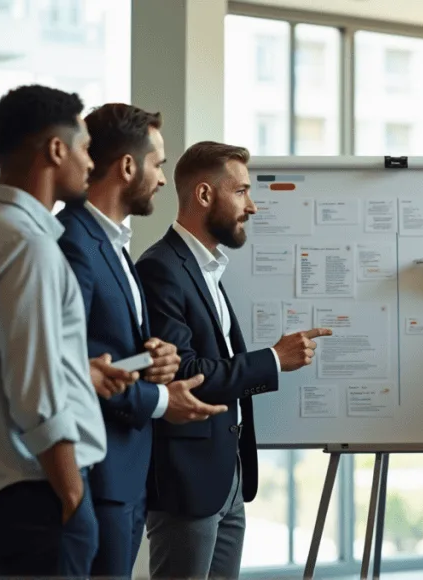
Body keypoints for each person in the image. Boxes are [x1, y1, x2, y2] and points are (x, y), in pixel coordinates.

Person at [0, 84, 138, 578]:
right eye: (86, 148)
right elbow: (37, 395)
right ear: (55, 150)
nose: (92, 164)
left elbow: (0, 358)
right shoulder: (28, 244)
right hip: (34, 494)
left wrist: (79, 371)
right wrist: (72, 495)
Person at [135, 141, 332, 579]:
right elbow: (182, 375)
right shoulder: (161, 268)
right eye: (241, 191)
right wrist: (274, 360)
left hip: (229, 476)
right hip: (187, 483)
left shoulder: (206, 269)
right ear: (205, 195)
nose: (253, 207)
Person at [56, 103, 229, 577]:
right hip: (99, 476)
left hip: (128, 477)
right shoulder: (73, 241)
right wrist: (158, 398)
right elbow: (69, 366)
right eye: (157, 164)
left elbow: (107, 350)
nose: (159, 178)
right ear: (128, 166)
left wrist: (152, 357)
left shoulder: (112, 243)